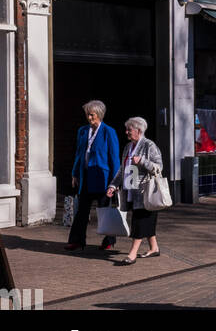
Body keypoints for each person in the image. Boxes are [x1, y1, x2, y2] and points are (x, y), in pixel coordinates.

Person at [106, 117, 163, 264]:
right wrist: (113, 185)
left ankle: (132, 254)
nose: (126, 132)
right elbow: (122, 169)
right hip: (131, 191)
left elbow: (159, 167)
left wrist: (143, 161)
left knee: (138, 221)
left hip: (145, 192)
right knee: (146, 221)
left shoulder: (149, 145)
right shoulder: (128, 147)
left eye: (129, 130)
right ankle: (154, 248)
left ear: (139, 130)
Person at [66, 100, 121, 252]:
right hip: (85, 178)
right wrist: (75, 174)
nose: (89, 118)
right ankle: (76, 240)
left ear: (100, 115)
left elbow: (114, 158)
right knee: (81, 211)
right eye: (87, 115)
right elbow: (79, 154)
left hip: (103, 179)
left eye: (92, 115)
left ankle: (109, 240)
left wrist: (115, 182)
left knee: (105, 211)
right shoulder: (83, 131)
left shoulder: (108, 132)